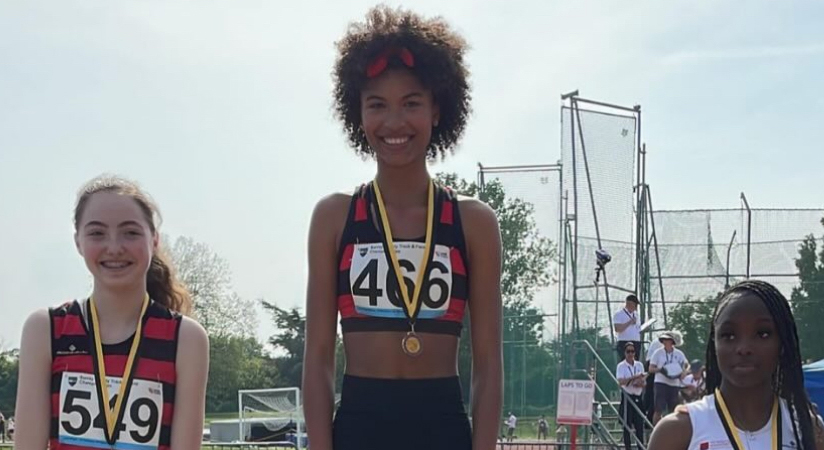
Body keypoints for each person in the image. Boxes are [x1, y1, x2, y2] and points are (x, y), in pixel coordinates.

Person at [302, 6, 503, 450]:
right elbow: (317, 359)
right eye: (378, 104)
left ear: (437, 109)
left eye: (411, 103)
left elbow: (489, 364)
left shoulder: (474, 222)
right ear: (358, 114)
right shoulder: (333, 217)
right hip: (357, 428)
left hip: (444, 428)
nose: (394, 122)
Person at [14, 175, 209, 450]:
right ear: (78, 242)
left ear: (154, 240)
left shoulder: (186, 339)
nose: (115, 248)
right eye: (97, 233)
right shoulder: (45, 329)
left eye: (131, 232)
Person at [648, 280, 824, 449]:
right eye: (729, 335)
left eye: (762, 334)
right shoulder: (677, 432)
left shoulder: (807, 429)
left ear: (783, 343)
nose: (744, 348)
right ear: (714, 344)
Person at [649, 331, 689, 424]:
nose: (664, 341)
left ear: (672, 341)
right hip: (661, 383)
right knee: (658, 409)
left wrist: (684, 372)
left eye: (667, 339)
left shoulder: (679, 353)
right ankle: (656, 428)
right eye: (663, 339)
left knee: (674, 410)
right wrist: (661, 370)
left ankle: (672, 429)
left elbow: (687, 365)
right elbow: (650, 368)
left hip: (674, 384)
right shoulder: (658, 353)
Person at [616, 342, 646, 450]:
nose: (630, 354)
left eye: (632, 351)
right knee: (627, 426)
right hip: (627, 397)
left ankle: (640, 447)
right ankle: (627, 448)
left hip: (638, 396)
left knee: (639, 426)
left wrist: (639, 383)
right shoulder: (621, 366)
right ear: (624, 353)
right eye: (628, 351)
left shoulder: (639, 365)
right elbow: (620, 382)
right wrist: (634, 377)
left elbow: (644, 382)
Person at [614, 294, 642, 361]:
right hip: (624, 341)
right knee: (625, 362)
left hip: (636, 342)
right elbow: (617, 329)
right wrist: (629, 322)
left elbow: (638, 328)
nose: (636, 307)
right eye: (635, 304)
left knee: (635, 362)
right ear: (629, 303)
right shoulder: (619, 314)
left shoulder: (636, 314)